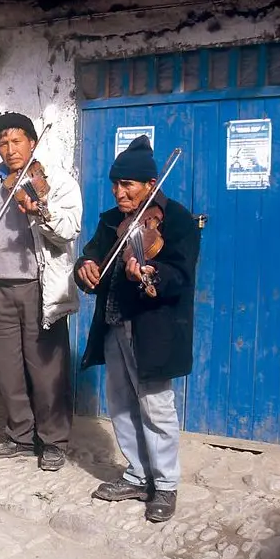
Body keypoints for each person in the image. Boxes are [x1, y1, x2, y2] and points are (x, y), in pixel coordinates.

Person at [74, 135, 200, 523]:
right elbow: (92, 253)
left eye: (127, 184)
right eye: (115, 184)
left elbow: (181, 274)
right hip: (114, 324)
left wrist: (152, 272)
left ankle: (164, 484)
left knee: (156, 407)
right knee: (122, 403)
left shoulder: (178, 220)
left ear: (150, 184)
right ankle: (136, 473)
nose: (119, 192)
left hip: (153, 328)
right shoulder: (111, 220)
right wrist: (86, 267)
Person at [0, 111, 82, 472]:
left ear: (33, 142)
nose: (10, 149)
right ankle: (21, 435)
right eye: (3, 143)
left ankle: (53, 440)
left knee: (46, 367)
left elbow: (69, 228)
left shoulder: (57, 181)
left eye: (17, 141)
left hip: (40, 287)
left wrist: (41, 209)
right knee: (8, 367)